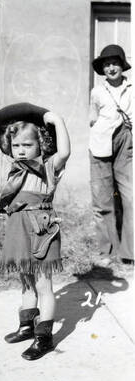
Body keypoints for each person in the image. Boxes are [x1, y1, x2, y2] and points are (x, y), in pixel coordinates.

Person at [0, 102, 70, 360]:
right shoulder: (15, 170)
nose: (21, 151)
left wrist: (55, 119)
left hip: (40, 231)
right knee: (25, 281)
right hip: (18, 229)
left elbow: (66, 152)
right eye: (16, 146)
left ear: (41, 146)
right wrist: (1, 207)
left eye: (27, 145)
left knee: (43, 283)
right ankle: (26, 326)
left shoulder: (48, 167)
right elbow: (15, 197)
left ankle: (44, 337)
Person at [89, 44, 133, 267]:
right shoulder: (97, 92)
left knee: (131, 197)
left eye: (115, 63)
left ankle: (130, 252)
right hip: (101, 144)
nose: (111, 68)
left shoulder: (133, 87)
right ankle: (107, 252)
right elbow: (91, 117)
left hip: (127, 143)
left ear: (122, 65)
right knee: (102, 199)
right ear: (102, 69)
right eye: (106, 64)